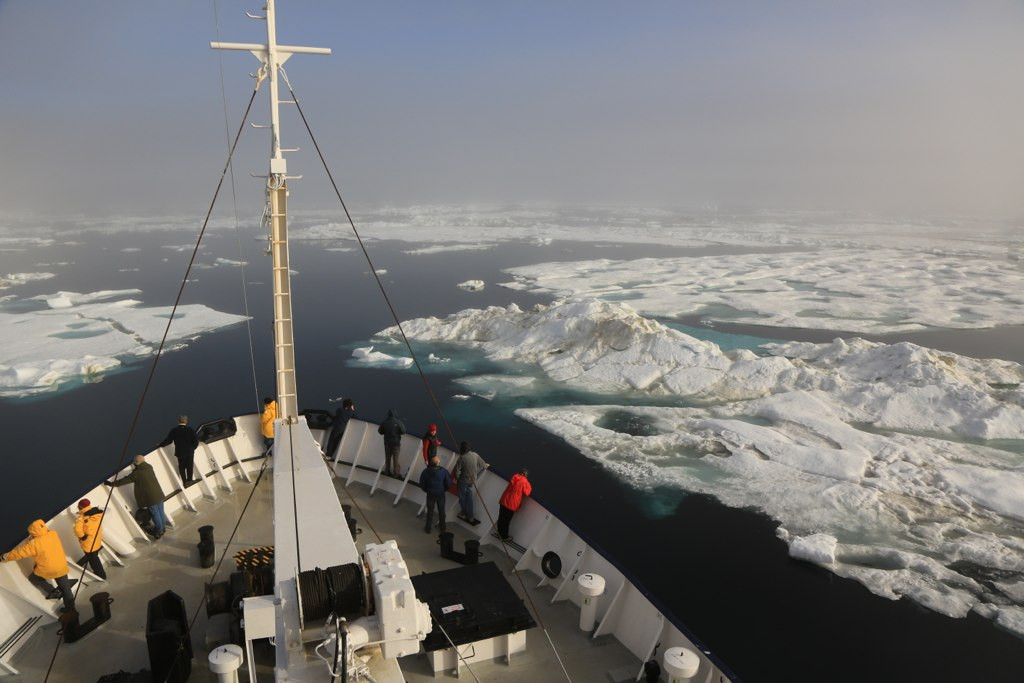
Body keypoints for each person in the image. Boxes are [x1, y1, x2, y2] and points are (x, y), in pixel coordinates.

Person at [1, 519, 76, 612]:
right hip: (61, 566)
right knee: (66, 589)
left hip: (48, 569)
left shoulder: (33, 544)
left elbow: (19, 553)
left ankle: (53, 591)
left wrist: (4, 557)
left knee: (34, 578)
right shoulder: (53, 534)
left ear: (33, 532)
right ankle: (71, 609)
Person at [108, 454, 168, 538]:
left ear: (136, 463)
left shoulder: (137, 473)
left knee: (155, 513)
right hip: (159, 493)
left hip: (150, 497)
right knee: (160, 511)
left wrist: (111, 484)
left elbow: (125, 480)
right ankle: (163, 528)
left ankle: (159, 530)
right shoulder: (149, 467)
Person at [453, 441, 489, 525]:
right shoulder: (475, 455)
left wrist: (457, 479)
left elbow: (457, 471)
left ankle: (464, 514)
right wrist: (486, 465)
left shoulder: (461, 458)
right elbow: (483, 465)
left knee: (462, 498)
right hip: (472, 481)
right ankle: (471, 516)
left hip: (463, 481)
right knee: (469, 498)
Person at [158, 414, 200, 485]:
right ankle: (190, 480)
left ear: (179, 421)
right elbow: (196, 441)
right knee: (190, 465)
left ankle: (184, 482)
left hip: (180, 451)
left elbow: (168, 440)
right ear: (186, 421)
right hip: (189, 451)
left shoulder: (174, 430)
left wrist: (160, 444)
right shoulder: (190, 430)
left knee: (182, 467)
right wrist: (192, 448)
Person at [74, 498, 107, 580]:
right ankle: (100, 573)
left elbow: (77, 530)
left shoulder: (81, 519)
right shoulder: (96, 513)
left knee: (94, 561)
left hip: (89, 544)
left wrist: (82, 537)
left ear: (81, 507)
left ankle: (101, 576)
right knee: (95, 555)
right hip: (97, 539)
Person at [419, 455, 451, 534]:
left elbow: (422, 484)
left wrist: (427, 490)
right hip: (440, 494)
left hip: (430, 494)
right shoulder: (444, 472)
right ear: (438, 463)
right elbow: (448, 483)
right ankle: (442, 528)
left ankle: (428, 528)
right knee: (441, 511)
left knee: (430, 511)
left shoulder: (425, 472)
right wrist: (443, 489)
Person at [497, 468, 531, 541]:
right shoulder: (525, 482)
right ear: (526, 475)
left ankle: (499, 533)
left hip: (504, 500)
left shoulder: (514, 477)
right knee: (507, 521)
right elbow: (527, 493)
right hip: (512, 504)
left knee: (501, 517)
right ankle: (504, 537)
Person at [377, 409, 405, 477]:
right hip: (396, 444)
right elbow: (403, 431)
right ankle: (396, 473)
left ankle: (387, 472)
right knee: (395, 459)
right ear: (395, 414)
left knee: (387, 458)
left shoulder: (384, 422)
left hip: (387, 443)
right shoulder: (398, 422)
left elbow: (380, 431)